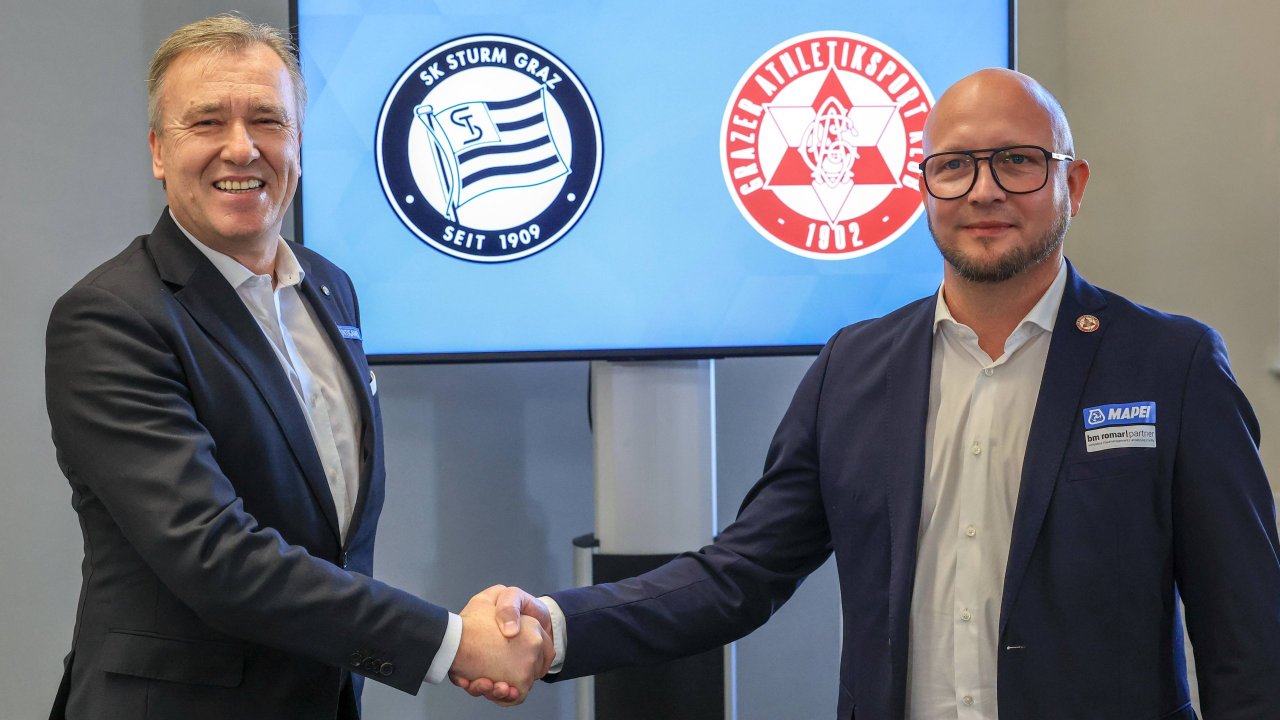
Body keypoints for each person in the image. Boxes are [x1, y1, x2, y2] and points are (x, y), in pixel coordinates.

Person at [465, 68, 1280, 718]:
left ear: (1075, 182)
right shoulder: (852, 368)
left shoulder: (1170, 365)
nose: (984, 191)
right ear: (923, 188)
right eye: (954, 166)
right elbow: (738, 575)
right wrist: (556, 626)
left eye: (1018, 161)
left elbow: (1245, 627)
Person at [44, 15, 549, 720]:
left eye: (267, 120)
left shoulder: (330, 288)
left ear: (299, 144)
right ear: (159, 151)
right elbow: (213, 554)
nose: (241, 147)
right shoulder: (110, 317)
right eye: (207, 122)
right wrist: (450, 642)